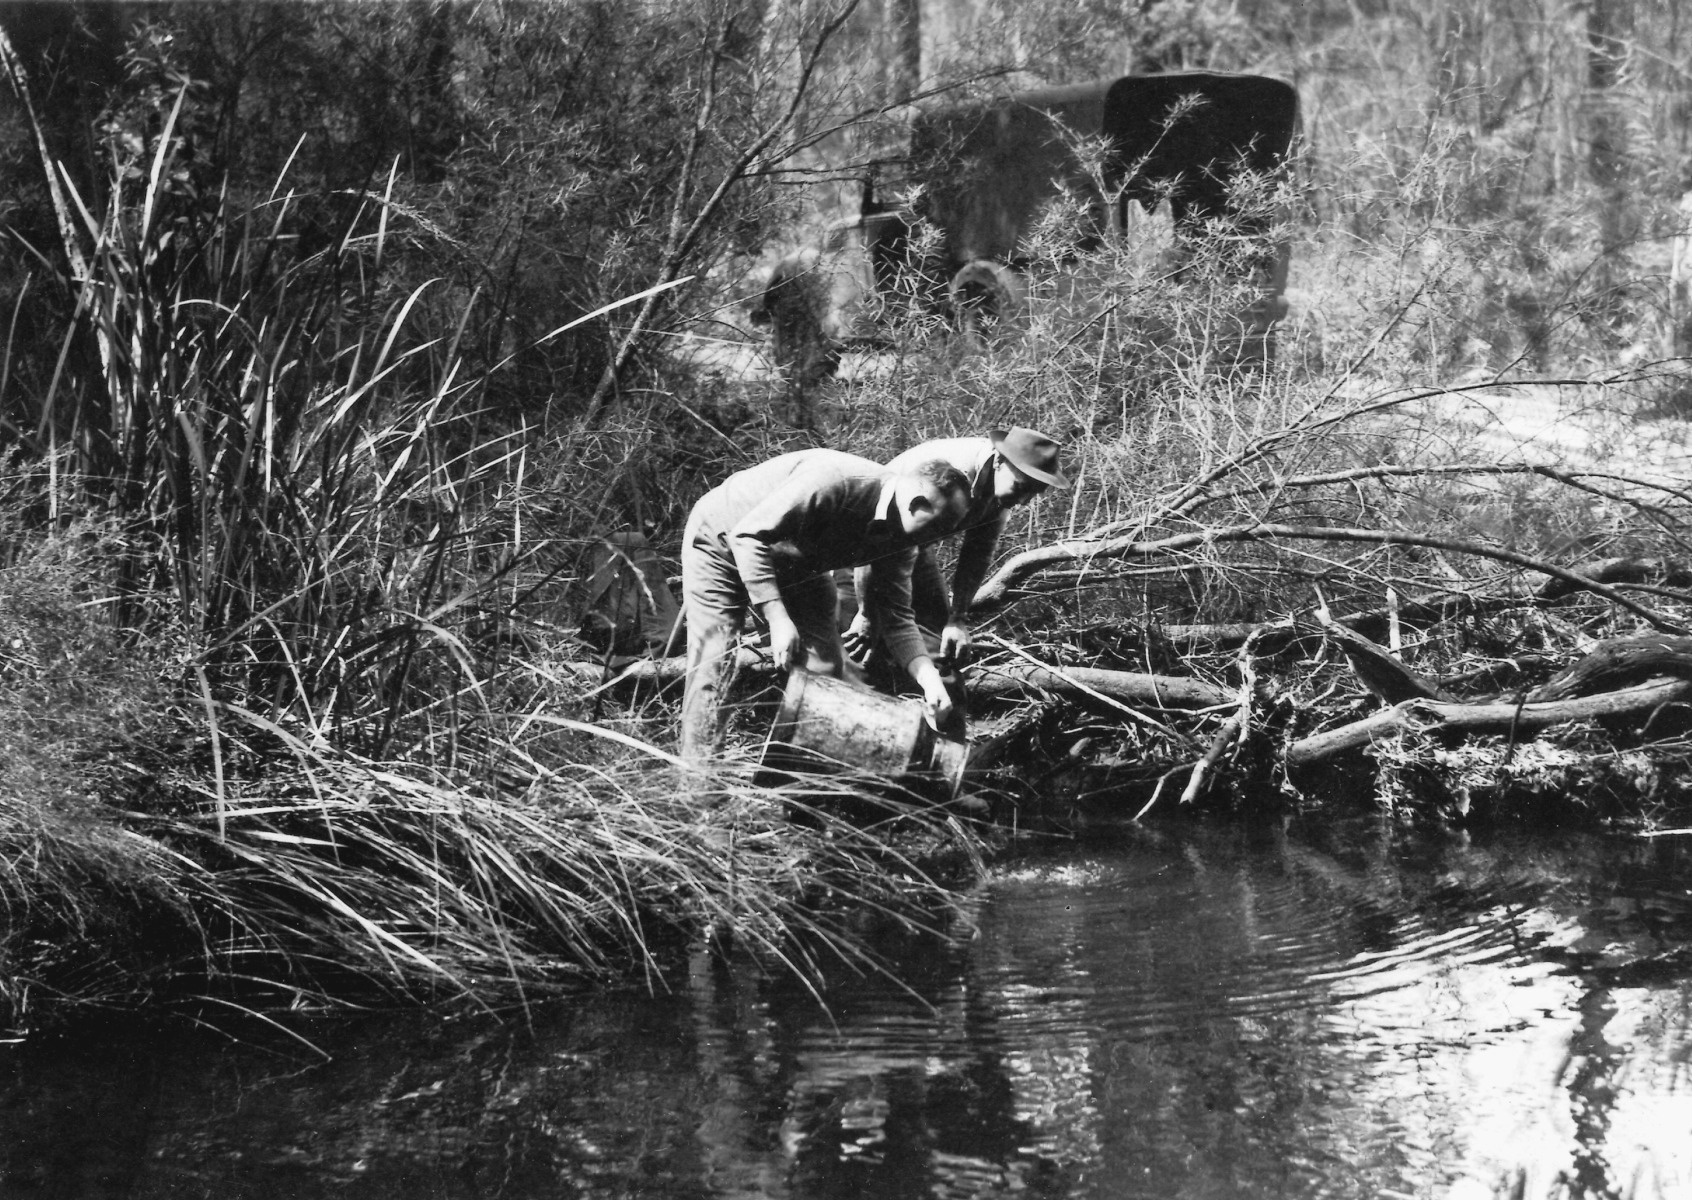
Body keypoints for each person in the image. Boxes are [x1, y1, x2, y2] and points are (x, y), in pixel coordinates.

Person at [678, 448, 971, 772]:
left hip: (794, 562)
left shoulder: (904, 537)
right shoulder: (836, 481)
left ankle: (799, 784)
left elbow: (897, 617)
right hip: (721, 539)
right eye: (941, 527)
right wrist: (777, 618)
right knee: (714, 667)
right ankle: (698, 793)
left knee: (824, 673)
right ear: (917, 503)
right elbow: (748, 536)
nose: (944, 539)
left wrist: (930, 681)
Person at [847, 426, 1071, 671]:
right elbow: (880, 535)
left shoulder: (998, 490)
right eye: (1020, 487)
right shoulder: (952, 472)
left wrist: (958, 618)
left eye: (1033, 493)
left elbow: (978, 553)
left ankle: (923, 682)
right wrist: (866, 612)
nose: (1023, 501)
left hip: (915, 546)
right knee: (859, 633)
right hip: (861, 545)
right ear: (998, 460)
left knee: (938, 630)